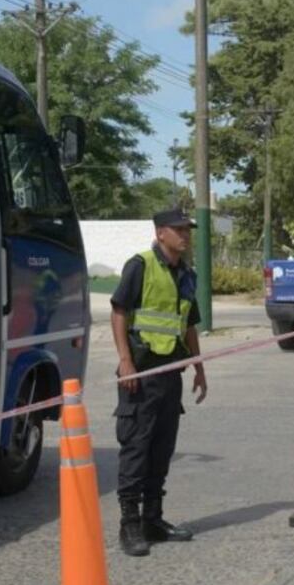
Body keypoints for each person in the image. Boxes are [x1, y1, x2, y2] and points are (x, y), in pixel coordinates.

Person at [110, 207, 209, 557]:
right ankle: (130, 525)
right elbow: (119, 312)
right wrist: (125, 361)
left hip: (171, 373)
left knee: (161, 448)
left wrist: (198, 368)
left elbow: (190, 323)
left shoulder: (187, 273)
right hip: (140, 373)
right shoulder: (140, 265)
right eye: (179, 229)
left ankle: (153, 519)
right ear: (160, 232)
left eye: (188, 230)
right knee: (136, 448)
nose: (185, 235)